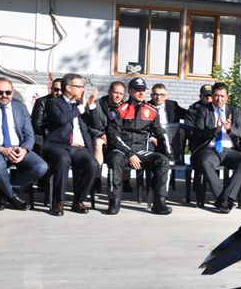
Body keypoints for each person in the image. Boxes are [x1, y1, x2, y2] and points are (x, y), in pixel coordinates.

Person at [106, 77, 173, 215]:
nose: (141, 93)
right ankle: (114, 202)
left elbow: (161, 133)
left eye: (143, 90)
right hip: (122, 150)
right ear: (130, 91)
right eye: (137, 90)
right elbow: (114, 137)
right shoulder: (119, 110)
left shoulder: (152, 111)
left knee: (163, 161)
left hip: (142, 151)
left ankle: (159, 203)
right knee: (114, 159)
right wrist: (129, 153)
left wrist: (169, 153)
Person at [42, 73, 100, 215]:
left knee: (93, 164)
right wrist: (81, 107)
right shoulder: (53, 103)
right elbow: (61, 119)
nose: (83, 89)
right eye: (80, 86)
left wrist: (91, 106)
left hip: (79, 147)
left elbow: (97, 125)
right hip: (58, 145)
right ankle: (58, 202)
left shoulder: (81, 105)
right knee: (63, 159)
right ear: (68, 87)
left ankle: (78, 201)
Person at [190, 82, 241, 213]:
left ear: (227, 97)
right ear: (211, 96)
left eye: (222, 96)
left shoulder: (234, 111)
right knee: (204, 161)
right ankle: (222, 199)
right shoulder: (204, 110)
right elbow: (197, 133)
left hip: (229, 150)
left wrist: (230, 129)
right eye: (216, 96)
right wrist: (215, 131)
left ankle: (227, 197)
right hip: (210, 149)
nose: (219, 99)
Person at [0, 76, 48, 210]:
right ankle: (12, 198)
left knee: (41, 166)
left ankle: (2, 194)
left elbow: (29, 134)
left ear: (12, 93)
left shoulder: (20, 107)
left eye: (7, 92)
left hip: (18, 148)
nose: (4, 95)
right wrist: (1, 149)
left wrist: (24, 149)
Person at [149, 83, 186, 157]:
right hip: (154, 139)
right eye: (155, 94)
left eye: (161, 95)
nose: (158, 97)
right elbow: (142, 126)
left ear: (166, 96)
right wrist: (151, 137)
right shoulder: (146, 107)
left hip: (171, 138)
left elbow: (188, 115)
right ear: (151, 96)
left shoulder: (173, 105)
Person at [31, 77, 63, 150]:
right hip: (46, 136)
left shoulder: (67, 103)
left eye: (62, 90)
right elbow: (37, 125)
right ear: (51, 89)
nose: (59, 93)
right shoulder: (41, 102)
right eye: (56, 89)